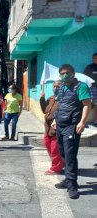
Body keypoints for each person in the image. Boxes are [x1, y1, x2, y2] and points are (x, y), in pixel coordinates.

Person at [52, 64, 91, 199]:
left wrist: (82, 122)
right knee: (63, 152)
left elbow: (87, 105)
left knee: (70, 155)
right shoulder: (62, 87)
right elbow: (59, 105)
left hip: (72, 126)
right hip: (60, 124)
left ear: (73, 73)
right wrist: (55, 120)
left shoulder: (81, 87)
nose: (65, 75)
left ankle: (73, 184)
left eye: (67, 73)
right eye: (62, 73)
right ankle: (68, 180)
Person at [40, 81, 64, 174]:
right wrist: (42, 99)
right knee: (47, 144)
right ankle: (59, 163)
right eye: (54, 86)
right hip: (47, 127)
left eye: (58, 86)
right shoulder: (51, 98)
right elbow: (44, 110)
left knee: (55, 149)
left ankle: (56, 168)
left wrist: (57, 120)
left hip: (56, 128)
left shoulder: (63, 99)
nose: (55, 88)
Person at [83, 53, 97, 125]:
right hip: (92, 88)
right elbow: (84, 77)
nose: (95, 59)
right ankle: (84, 121)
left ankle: (95, 121)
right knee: (90, 104)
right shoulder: (89, 67)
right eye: (94, 58)